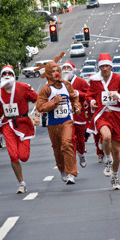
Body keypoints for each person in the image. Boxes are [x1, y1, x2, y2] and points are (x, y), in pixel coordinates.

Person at [86, 53, 120, 190]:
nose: (104, 69)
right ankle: (107, 159)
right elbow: (89, 94)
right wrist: (91, 101)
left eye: (107, 66)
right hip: (101, 115)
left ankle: (115, 176)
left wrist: (119, 95)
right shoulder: (94, 81)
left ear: (111, 66)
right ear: (99, 67)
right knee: (106, 137)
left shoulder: (119, 79)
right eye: (102, 66)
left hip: (117, 116)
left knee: (117, 151)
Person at [0, 65, 40, 194]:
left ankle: (21, 180)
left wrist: (37, 115)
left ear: (13, 76)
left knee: (23, 157)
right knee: (13, 155)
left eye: (9, 73)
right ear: (1, 77)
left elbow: (38, 99)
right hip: (8, 125)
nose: (7, 75)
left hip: (23, 124)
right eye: (4, 74)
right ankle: (21, 183)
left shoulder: (23, 88)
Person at [35, 53, 81, 185]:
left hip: (66, 120)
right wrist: (54, 103)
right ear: (48, 73)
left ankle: (71, 173)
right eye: (53, 71)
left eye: (57, 70)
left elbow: (74, 97)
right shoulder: (45, 89)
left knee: (67, 144)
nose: (56, 73)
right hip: (52, 123)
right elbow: (40, 106)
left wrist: (76, 106)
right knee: (57, 149)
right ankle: (62, 169)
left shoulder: (66, 85)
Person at [61, 61, 89, 168]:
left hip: (79, 115)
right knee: (71, 139)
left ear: (73, 70)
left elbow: (89, 93)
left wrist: (79, 93)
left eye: (68, 68)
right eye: (64, 68)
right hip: (65, 116)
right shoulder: (60, 83)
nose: (66, 69)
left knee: (80, 139)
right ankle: (72, 165)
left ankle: (81, 154)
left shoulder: (80, 82)